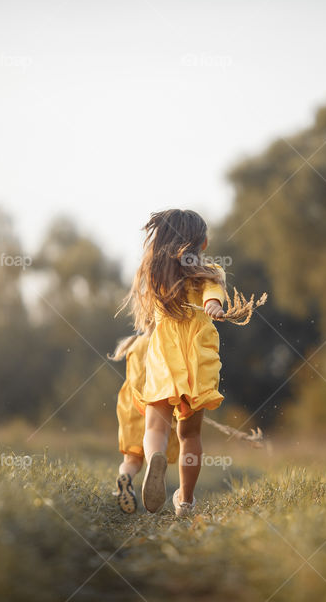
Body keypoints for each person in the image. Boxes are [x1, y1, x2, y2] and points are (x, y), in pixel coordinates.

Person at [118, 209, 228, 516]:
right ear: (203, 243)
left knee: (156, 427)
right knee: (190, 435)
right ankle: (186, 500)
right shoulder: (209, 273)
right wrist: (213, 305)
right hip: (197, 362)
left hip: (163, 361)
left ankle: (155, 458)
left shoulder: (157, 275)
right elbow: (212, 293)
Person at [109, 331, 179, 514]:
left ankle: (125, 478)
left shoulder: (133, 344)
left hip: (131, 407)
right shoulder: (166, 341)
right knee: (156, 441)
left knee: (131, 460)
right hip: (156, 406)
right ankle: (154, 465)